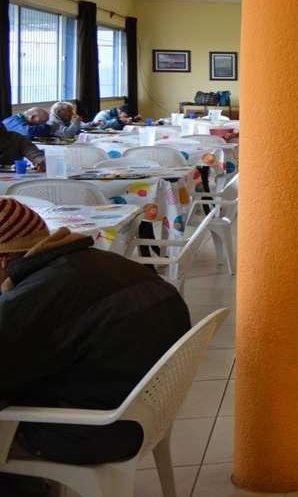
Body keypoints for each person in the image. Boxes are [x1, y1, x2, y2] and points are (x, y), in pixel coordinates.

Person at [0, 199, 191, 470]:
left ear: (4, 259)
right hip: (145, 411)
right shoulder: (95, 263)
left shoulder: (35, 296)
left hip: (96, 430)